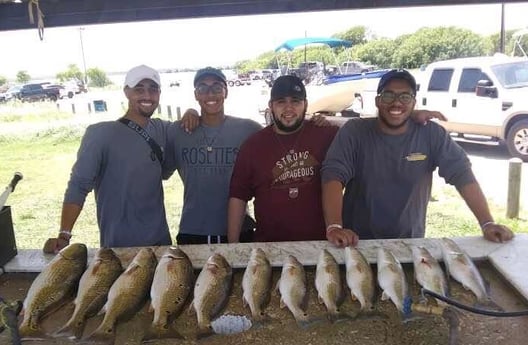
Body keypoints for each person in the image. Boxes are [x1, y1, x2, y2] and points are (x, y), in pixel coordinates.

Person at [321, 69, 515, 248]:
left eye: (405, 96)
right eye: (389, 95)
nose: (396, 102)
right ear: (378, 100)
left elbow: (462, 174)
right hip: (356, 242)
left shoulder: (431, 134)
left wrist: (487, 222)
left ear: (414, 102)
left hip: (410, 243)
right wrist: (335, 227)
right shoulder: (355, 132)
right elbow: (333, 175)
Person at [44, 65, 173, 252]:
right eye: (139, 89)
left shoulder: (163, 130)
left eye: (153, 89)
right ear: (126, 92)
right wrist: (64, 234)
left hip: (160, 243)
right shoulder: (100, 134)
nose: (147, 95)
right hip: (118, 248)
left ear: (159, 93)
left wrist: (191, 113)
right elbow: (78, 185)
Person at [227, 75, 338, 242]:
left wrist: (330, 119)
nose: (288, 109)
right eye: (281, 102)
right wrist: (232, 246)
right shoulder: (253, 146)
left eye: (295, 101)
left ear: (305, 105)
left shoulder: (325, 135)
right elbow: (238, 196)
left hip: (321, 245)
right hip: (270, 247)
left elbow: (359, 130)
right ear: (271, 106)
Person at [164, 67, 263, 244]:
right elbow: (162, 172)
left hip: (240, 230)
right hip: (193, 230)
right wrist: (190, 112)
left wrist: (322, 121)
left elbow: (283, 133)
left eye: (217, 87)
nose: (210, 94)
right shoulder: (178, 131)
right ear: (196, 95)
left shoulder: (248, 129)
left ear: (226, 92)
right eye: (202, 88)